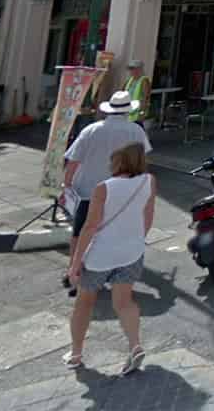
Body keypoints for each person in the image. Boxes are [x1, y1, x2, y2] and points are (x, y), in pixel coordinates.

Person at [64, 143, 155, 375]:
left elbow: (90, 227)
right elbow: (148, 215)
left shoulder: (103, 188)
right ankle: (135, 346)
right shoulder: (149, 181)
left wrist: (75, 263)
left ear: (119, 161)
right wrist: (137, 239)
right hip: (131, 253)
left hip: (100, 256)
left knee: (84, 303)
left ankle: (76, 354)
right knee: (124, 302)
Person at [62, 90, 152, 243]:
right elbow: (142, 163)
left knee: (80, 233)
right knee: (113, 236)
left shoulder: (90, 130)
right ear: (128, 111)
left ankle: (76, 257)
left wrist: (67, 185)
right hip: (120, 193)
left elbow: (73, 161)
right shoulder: (136, 131)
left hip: (87, 192)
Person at [121, 60, 150, 124]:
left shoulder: (144, 81)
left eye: (132, 68)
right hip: (127, 113)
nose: (130, 71)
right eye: (130, 69)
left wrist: (142, 113)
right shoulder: (129, 80)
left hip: (137, 115)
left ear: (139, 69)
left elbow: (145, 98)